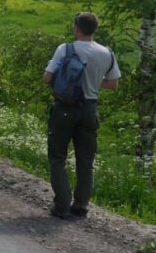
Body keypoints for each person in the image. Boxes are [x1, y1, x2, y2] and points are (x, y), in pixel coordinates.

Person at [43, 12, 120, 219]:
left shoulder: (66, 49)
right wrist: (93, 81)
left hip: (64, 108)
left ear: (76, 27)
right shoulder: (107, 53)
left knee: (58, 156)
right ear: (94, 29)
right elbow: (113, 84)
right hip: (89, 109)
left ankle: (61, 205)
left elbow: (47, 77)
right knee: (85, 160)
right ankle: (81, 205)